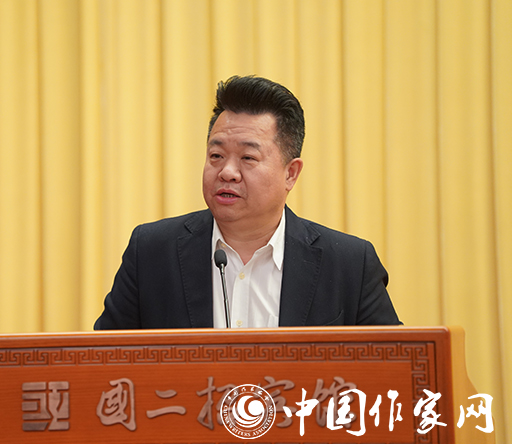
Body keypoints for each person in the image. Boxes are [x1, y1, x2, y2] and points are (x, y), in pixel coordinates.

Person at [94, 75, 400, 330]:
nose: (227, 172)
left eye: (248, 158)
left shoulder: (349, 264)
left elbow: (393, 370)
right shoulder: (152, 253)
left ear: (290, 174)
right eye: (216, 155)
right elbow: (103, 364)